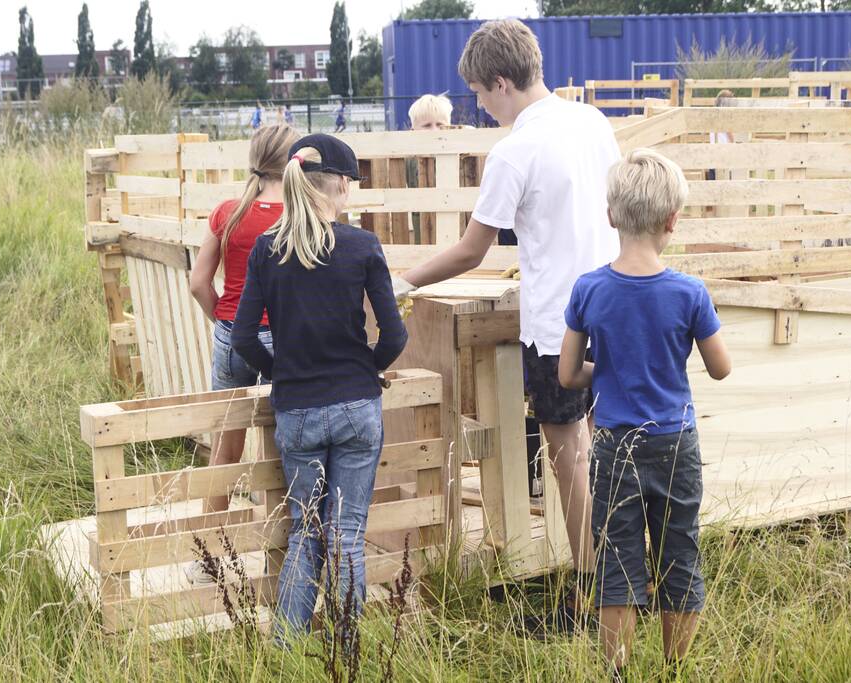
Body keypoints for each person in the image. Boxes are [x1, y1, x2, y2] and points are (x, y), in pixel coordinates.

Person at [392, 18, 621, 627]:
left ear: (499, 82)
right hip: (617, 306)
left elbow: (471, 250)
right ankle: (625, 580)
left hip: (558, 324)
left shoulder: (514, 150)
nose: (480, 106)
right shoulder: (593, 122)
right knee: (609, 448)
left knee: (568, 453)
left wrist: (405, 279)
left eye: (479, 93)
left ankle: (593, 593)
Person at [559, 148, 731, 678]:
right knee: (679, 553)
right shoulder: (689, 292)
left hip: (614, 446)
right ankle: (676, 670)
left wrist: (606, 371)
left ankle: (616, 672)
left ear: (612, 215)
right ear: (672, 221)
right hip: (675, 442)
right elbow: (721, 367)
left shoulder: (589, 289)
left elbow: (568, 375)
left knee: (618, 560)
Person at [230, 134, 407, 641]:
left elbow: (243, 336)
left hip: (298, 409)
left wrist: (280, 370)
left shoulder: (268, 249)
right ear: (341, 186)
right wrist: (365, 370)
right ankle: (348, 647)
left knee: (306, 531)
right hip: (357, 405)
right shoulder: (362, 246)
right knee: (346, 533)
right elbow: (394, 334)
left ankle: (287, 644)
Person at [186, 123, 300, 583]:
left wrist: (226, 325)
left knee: (225, 448)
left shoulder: (227, 213)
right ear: (295, 162)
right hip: (286, 339)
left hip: (234, 332)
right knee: (288, 443)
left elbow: (198, 283)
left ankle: (205, 558)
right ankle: (288, 553)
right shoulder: (301, 213)